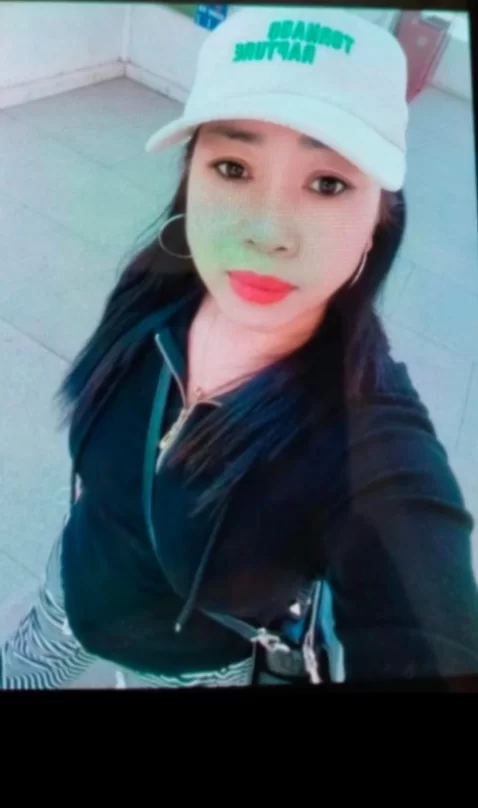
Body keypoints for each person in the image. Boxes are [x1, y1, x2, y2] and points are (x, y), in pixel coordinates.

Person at [2, 5, 478, 690]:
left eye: (327, 183)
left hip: (191, 672)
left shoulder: (369, 440)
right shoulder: (156, 288)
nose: (265, 232)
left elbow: (424, 610)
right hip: (67, 597)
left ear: (379, 219)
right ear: (191, 177)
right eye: (233, 166)